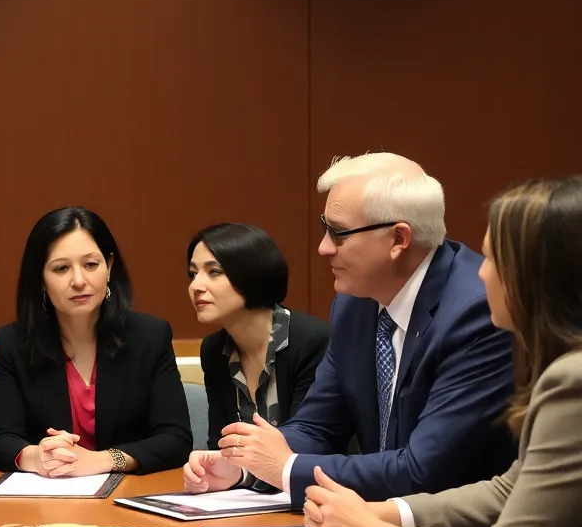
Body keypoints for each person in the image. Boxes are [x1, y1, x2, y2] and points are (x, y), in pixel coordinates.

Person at [304, 177, 582, 527]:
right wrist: (384, 513)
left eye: (495, 259)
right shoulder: (562, 366)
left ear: (540, 276)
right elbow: (508, 489)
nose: (480, 273)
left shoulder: (571, 381)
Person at [184, 153, 515, 506]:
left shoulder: (476, 311)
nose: (323, 247)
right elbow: (319, 426)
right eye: (324, 227)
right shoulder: (355, 303)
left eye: (338, 233)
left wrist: (285, 469)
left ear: (398, 239)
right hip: (371, 524)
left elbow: (425, 469)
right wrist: (245, 466)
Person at [0, 207, 192, 475]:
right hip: (47, 502)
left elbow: (176, 439)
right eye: (61, 268)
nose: (79, 280)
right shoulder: (14, 343)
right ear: (40, 279)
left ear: (109, 266)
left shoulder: (150, 336)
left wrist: (107, 459)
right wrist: (35, 457)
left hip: (129, 497)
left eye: (91, 265)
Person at [188, 223, 329, 450]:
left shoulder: (311, 342)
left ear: (252, 275)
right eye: (193, 274)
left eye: (214, 272)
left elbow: (311, 444)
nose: (196, 286)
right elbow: (219, 444)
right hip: (240, 483)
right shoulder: (214, 349)